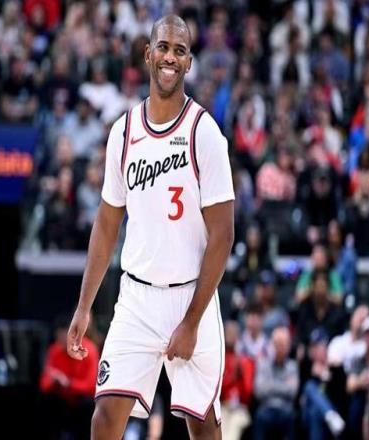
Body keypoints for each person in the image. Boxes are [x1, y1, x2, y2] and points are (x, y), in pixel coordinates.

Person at [67, 14, 234, 440]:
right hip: (137, 298)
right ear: (147, 54)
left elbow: (223, 235)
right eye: (163, 47)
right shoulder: (123, 133)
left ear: (189, 62)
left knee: (203, 428)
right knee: (105, 418)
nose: (170, 57)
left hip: (192, 294)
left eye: (180, 50)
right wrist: (84, 306)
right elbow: (107, 223)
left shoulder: (204, 133)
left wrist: (191, 321)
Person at [38, 315, 99, 440]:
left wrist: (68, 383)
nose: (60, 341)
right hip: (63, 400)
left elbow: (91, 386)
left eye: (63, 336)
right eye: (58, 337)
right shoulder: (55, 350)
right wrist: (55, 382)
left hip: (82, 401)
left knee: (86, 404)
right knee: (46, 401)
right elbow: (44, 383)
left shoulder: (89, 350)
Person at [254, 326, 299, 440]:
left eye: (283, 344)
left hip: (285, 409)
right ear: (272, 345)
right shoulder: (263, 364)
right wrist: (284, 385)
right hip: (266, 408)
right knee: (260, 417)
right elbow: (259, 391)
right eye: (277, 344)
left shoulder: (292, 366)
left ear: (288, 347)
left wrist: (270, 384)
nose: (280, 348)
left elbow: (293, 392)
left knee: (291, 417)